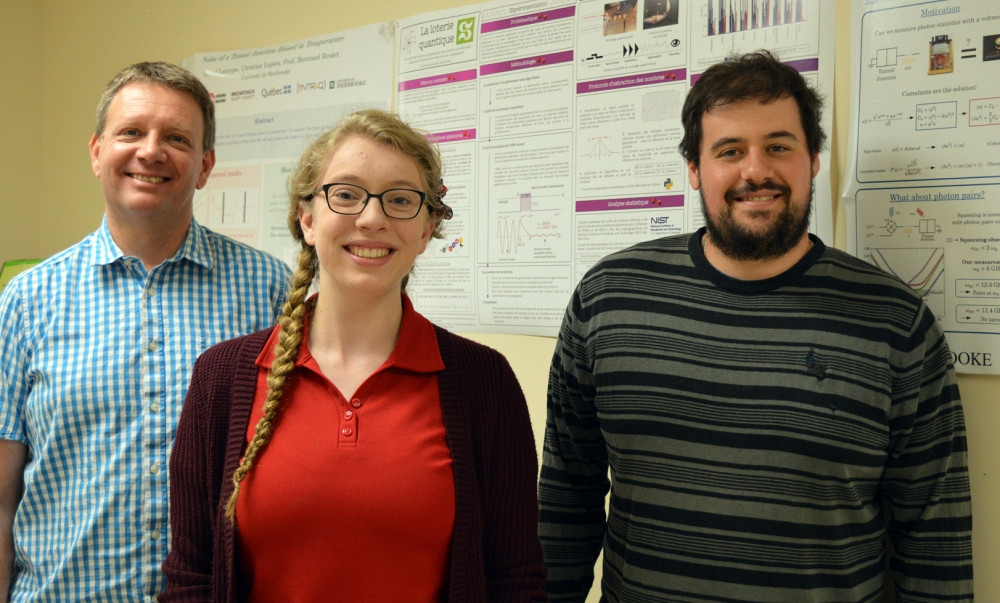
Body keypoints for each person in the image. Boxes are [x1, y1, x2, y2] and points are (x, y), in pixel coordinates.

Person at [538, 50, 972, 602]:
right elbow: (565, 498)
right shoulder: (607, 298)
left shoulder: (895, 323)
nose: (756, 170)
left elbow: (936, 535)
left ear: (812, 159)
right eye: (729, 151)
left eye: (778, 146)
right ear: (694, 167)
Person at [159, 109, 547, 602]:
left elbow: (515, 580)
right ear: (307, 219)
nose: (372, 218)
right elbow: (191, 578)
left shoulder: (483, 381)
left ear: (427, 230)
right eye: (345, 194)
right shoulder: (222, 377)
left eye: (401, 200)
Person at [0, 62, 291, 602]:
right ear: (95, 151)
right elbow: (0, 494)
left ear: (204, 166)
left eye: (176, 138)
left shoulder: (269, 289)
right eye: (131, 131)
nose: (151, 151)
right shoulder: (25, 301)